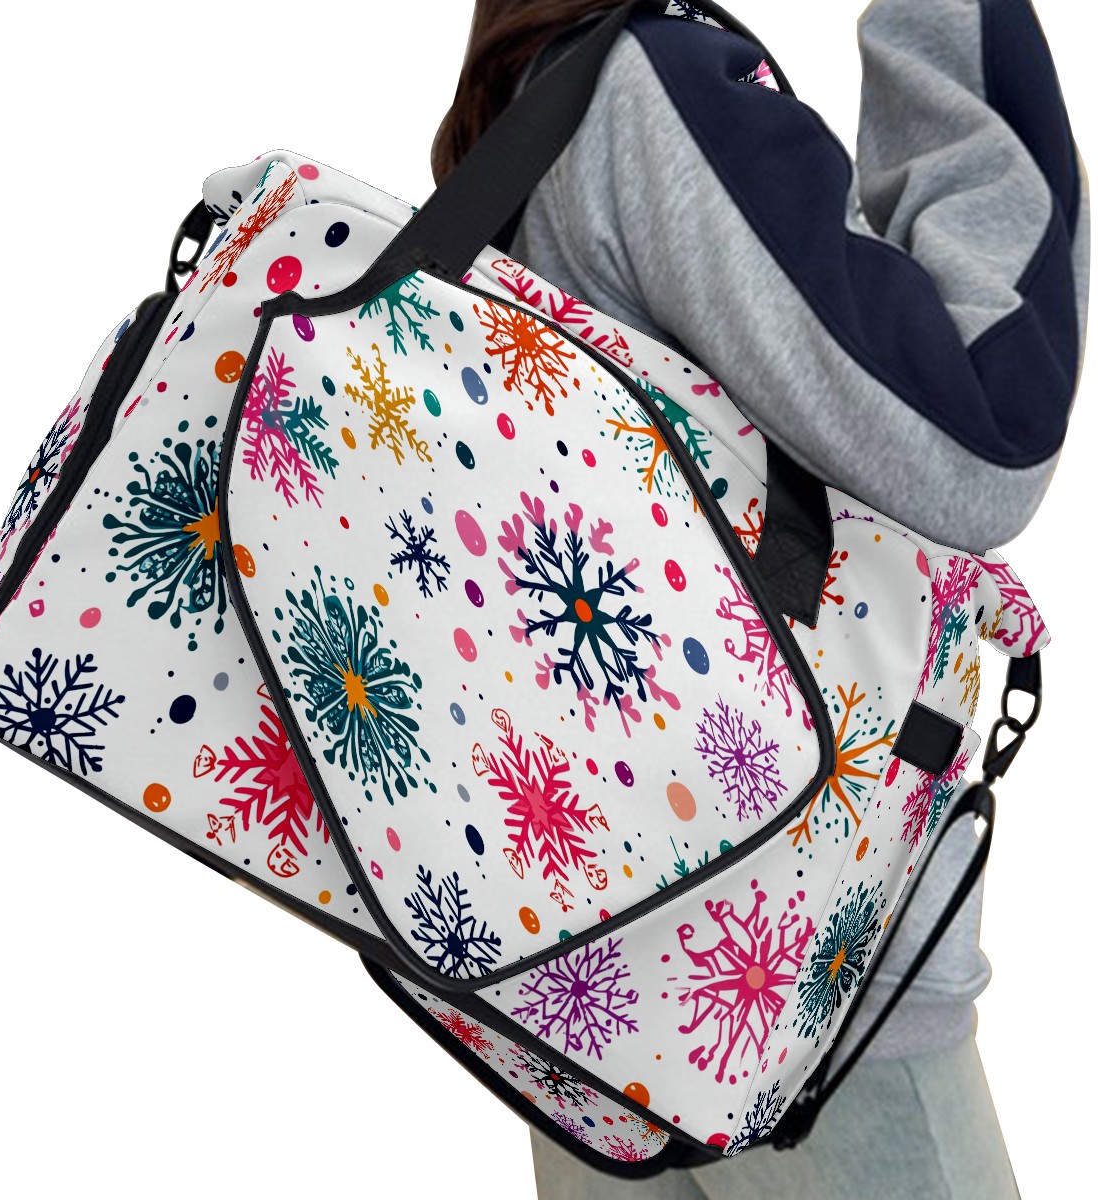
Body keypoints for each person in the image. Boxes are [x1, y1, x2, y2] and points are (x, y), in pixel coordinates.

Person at [431, 2, 1088, 1197]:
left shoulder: (521, 129)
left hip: (576, 985)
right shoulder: (657, 90)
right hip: (799, 991)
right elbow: (983, 432)